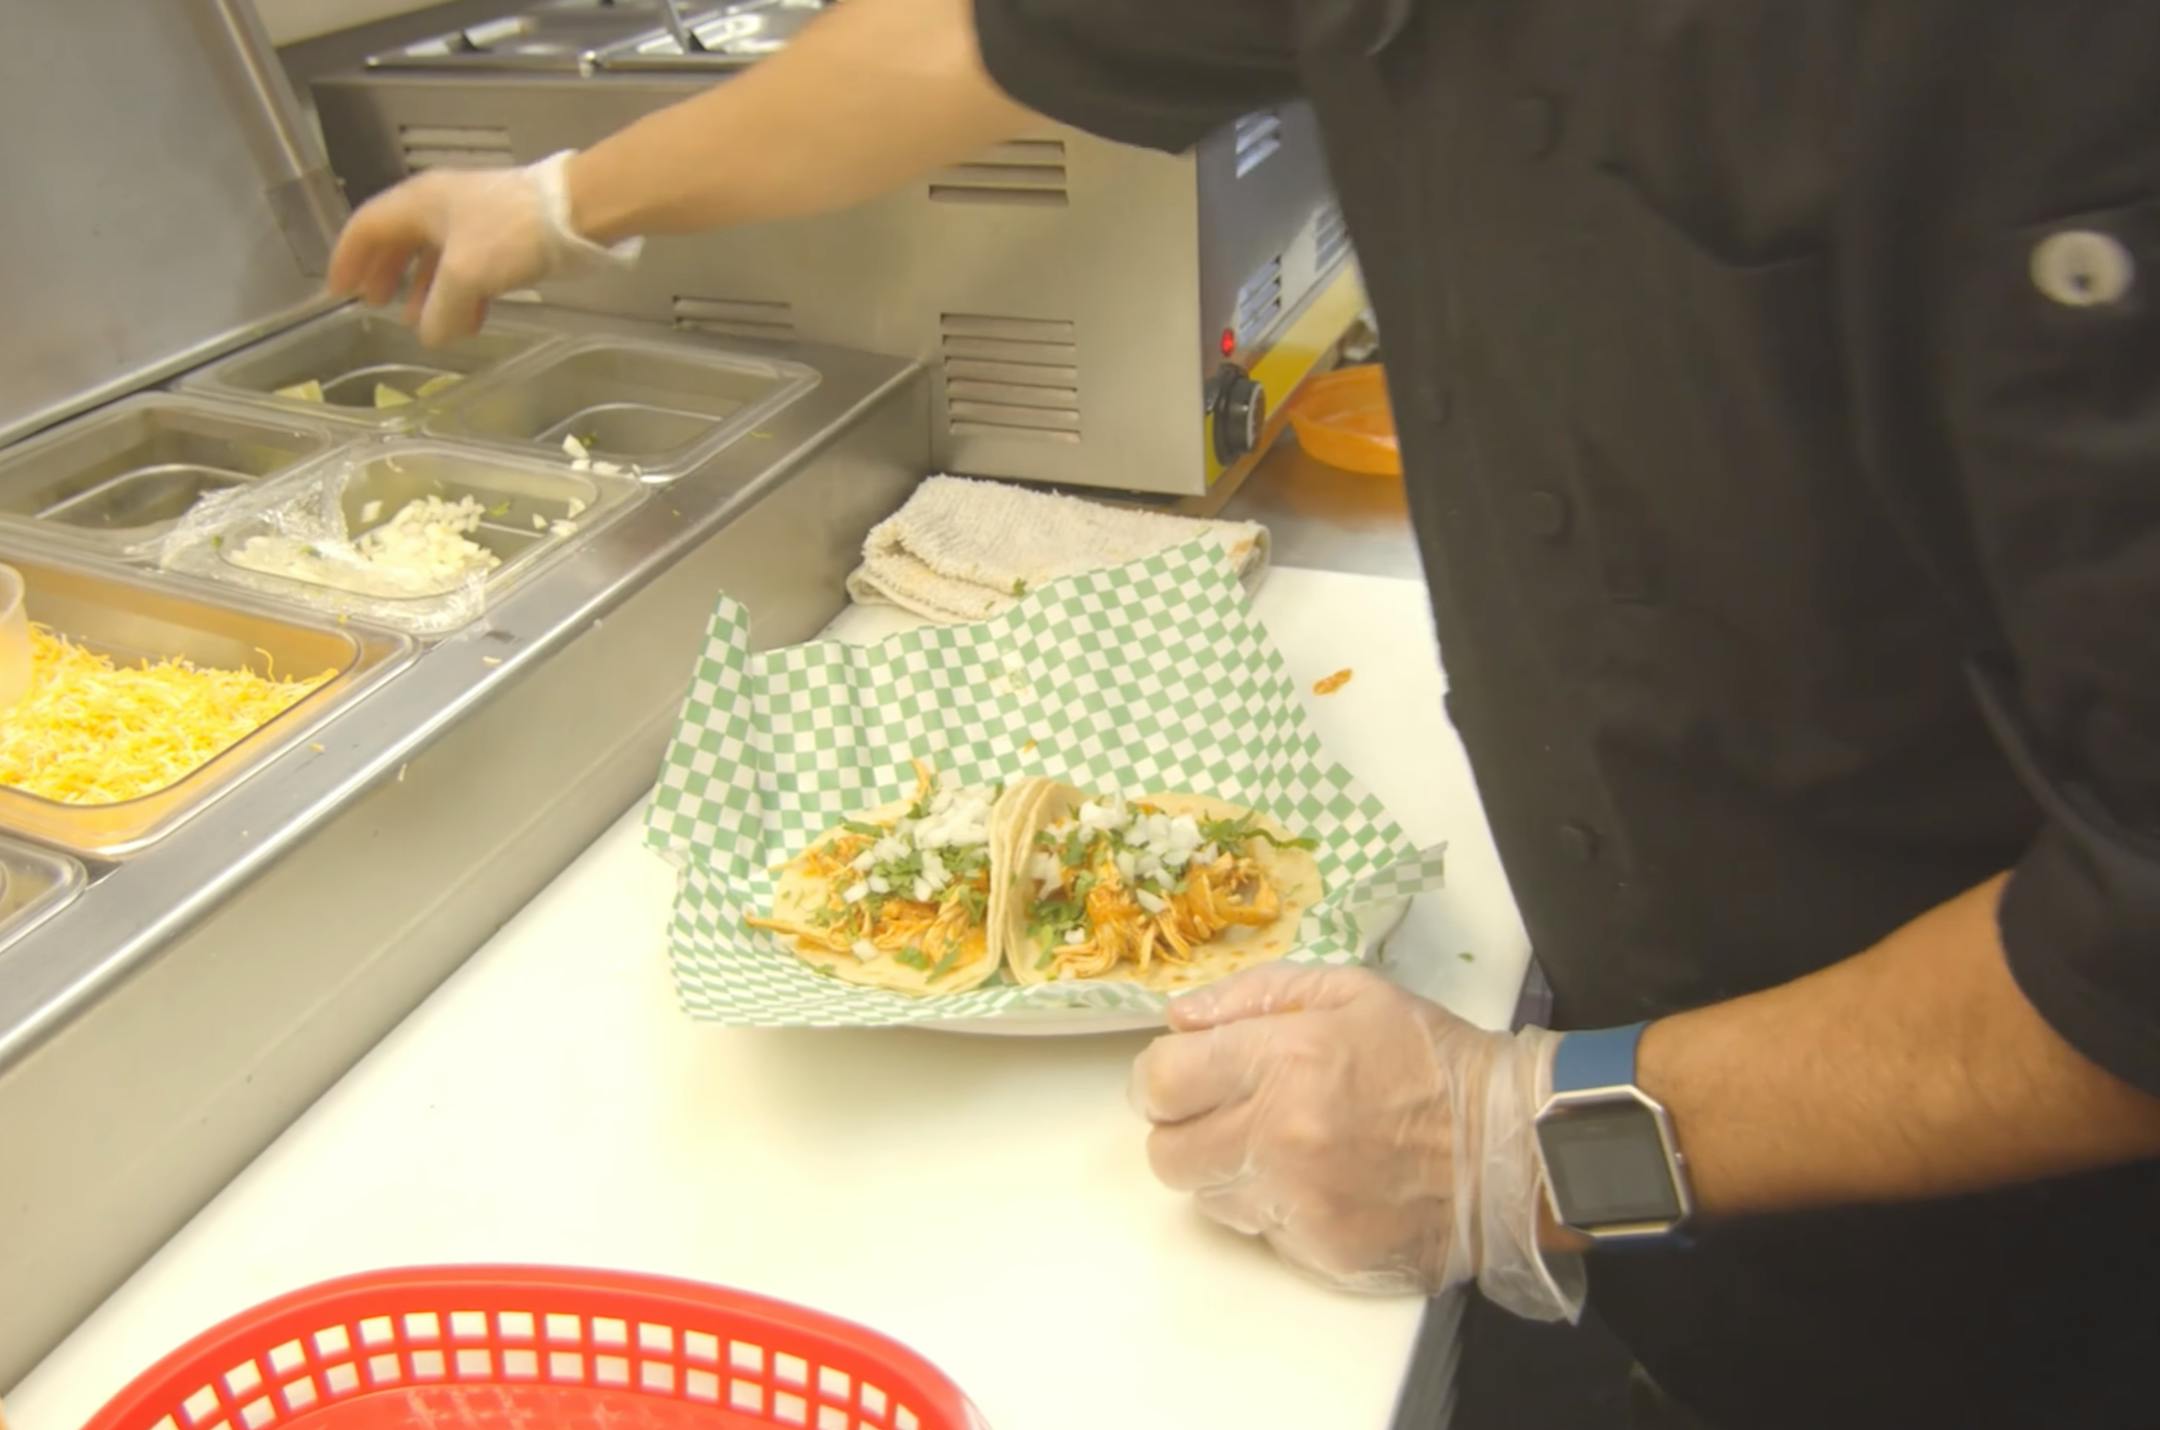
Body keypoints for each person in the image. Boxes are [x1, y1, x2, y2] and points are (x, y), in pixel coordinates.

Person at [328, 3, 2160, 1425]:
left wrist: (1516, 1137)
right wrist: (560, 200)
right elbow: (971, 37)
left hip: (2018, 1249)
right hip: (1669, 1131)